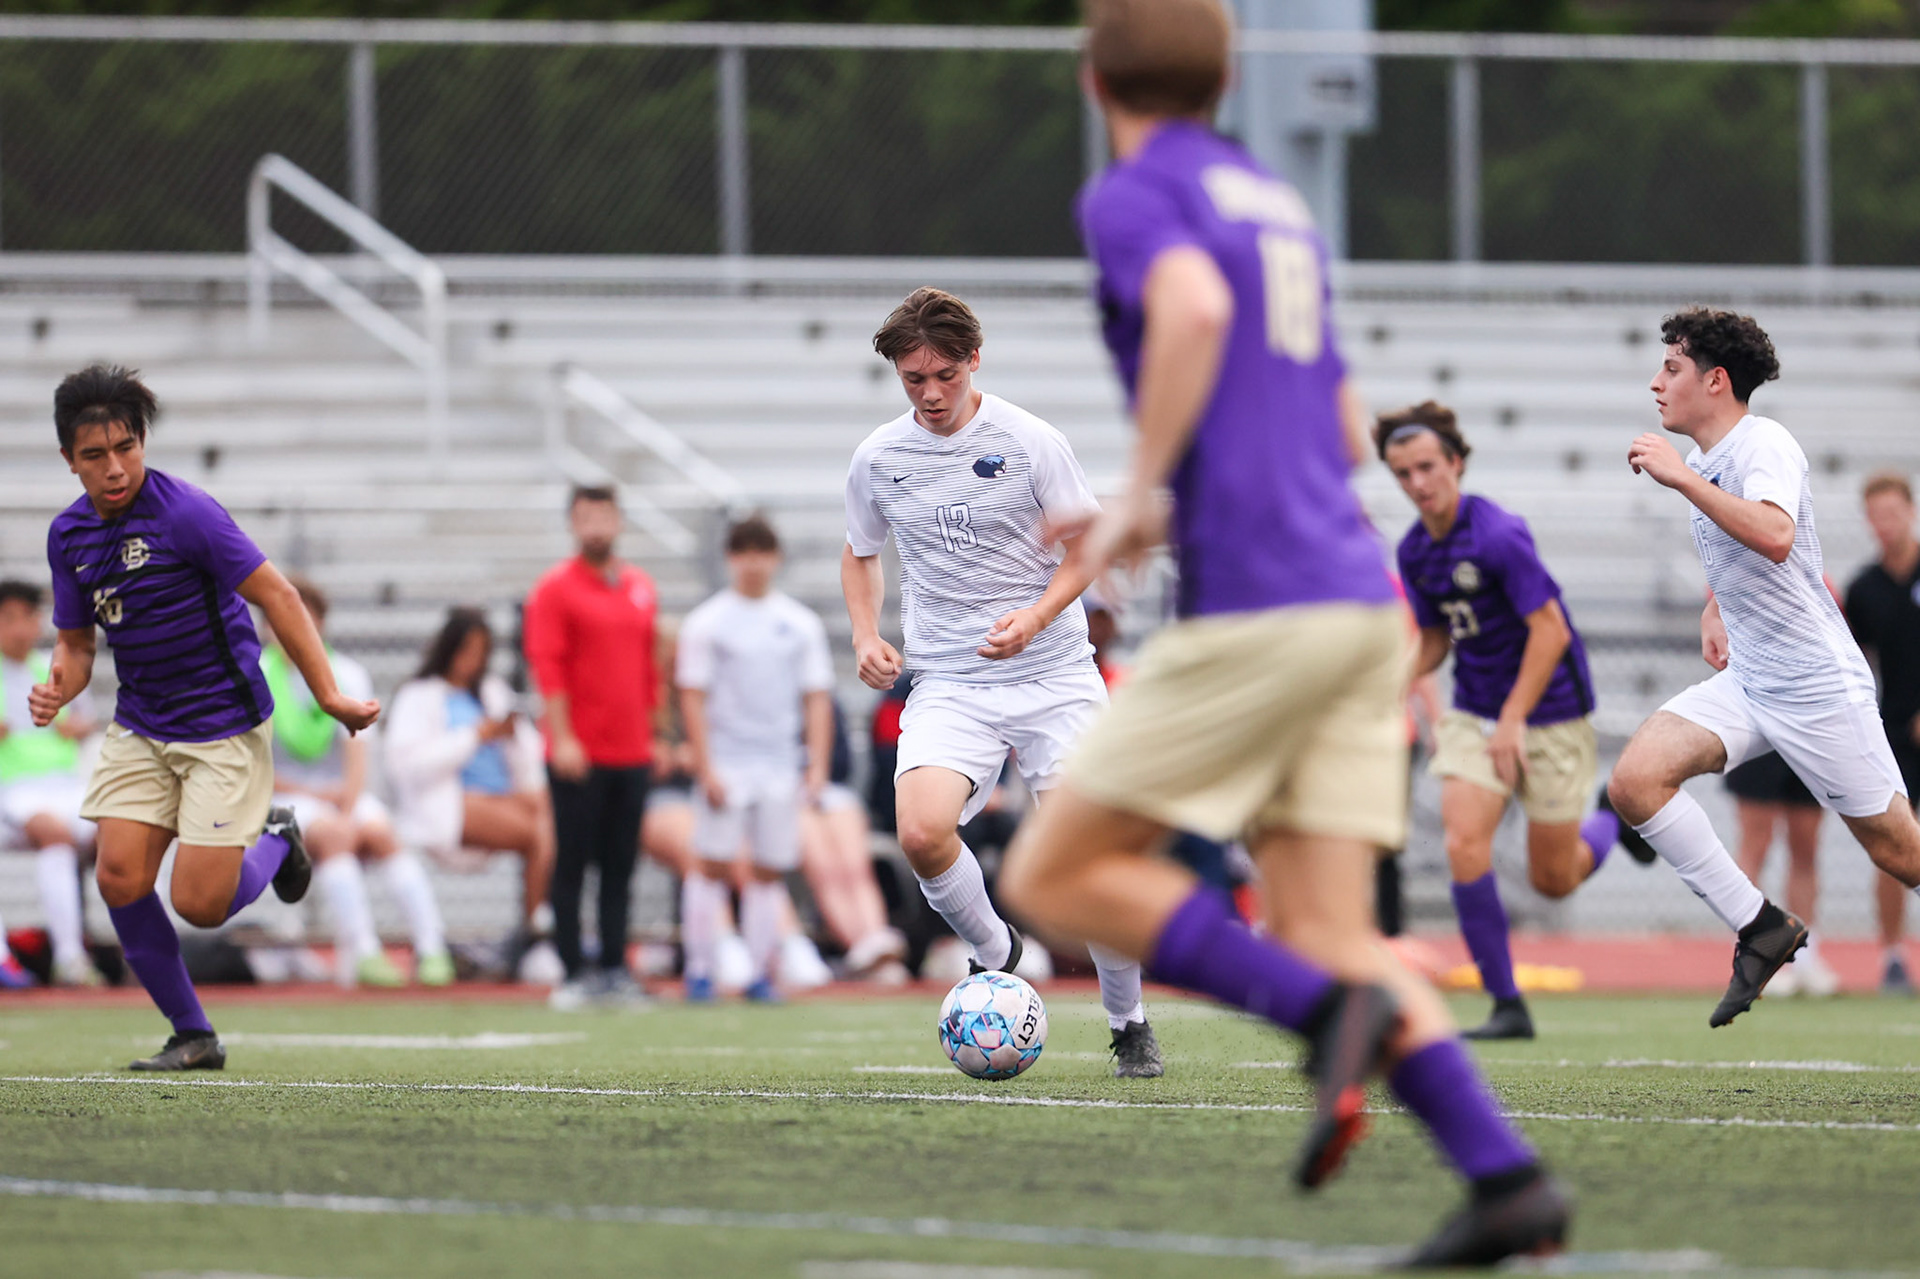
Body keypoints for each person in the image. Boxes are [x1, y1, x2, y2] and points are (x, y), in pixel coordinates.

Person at [997, 1, 1567, 1264]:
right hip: (1360, 601)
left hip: (1267, 604)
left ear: (1096, 80)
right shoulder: (1273, 198)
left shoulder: (1138, 190)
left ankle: (1329, 1014)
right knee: (1329, 926)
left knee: (1048, 877)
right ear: (1228, 75)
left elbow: (1191, 312)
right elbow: (1339, 393)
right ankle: (1505, 1178)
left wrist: (1145, 492)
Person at [842, 285, 1163, 1078]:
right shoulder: (880, 456)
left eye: (944, 374)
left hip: (1054, 673)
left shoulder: (1029, 441)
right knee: (920, 830)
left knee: (1092, 863)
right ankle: (997, 951)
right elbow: (859, 551)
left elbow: (1087, 547)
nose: (931, 392)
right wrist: (864, 633)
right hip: (951, 679)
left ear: (974, 360)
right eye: (913, 379)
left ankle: (1128, 1019)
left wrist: (1037, 612)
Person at [32, 365, 378, 1070]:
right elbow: (75, 645)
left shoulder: (186, 513)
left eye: (125, 446)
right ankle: (193, 1033)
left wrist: (328, 693)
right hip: (141, 725)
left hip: (222, 726)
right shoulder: (67, 536)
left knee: (199, 903)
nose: (115, 467)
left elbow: (279, 595)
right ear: (69, 459)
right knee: (118, 877)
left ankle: (277, 840)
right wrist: (57, 688)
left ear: (143, 440)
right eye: (94, 455)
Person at [1609, 308, 1920, 1027]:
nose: (1657, 382)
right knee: (1634, 781)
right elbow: (1752, 549)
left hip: (1817, 686)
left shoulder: (1763, 442)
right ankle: (1762, 928)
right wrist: (1717, 606)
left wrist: (1681, 479)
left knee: (1899, 851)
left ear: (1716, 381)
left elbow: (1777, 535)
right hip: (1751, 680)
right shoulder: (1719, 459)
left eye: (1673, 368)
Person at [1379, 400, 1637, 1040]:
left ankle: (1617, 819)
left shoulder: (1498, 534)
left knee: (1554, 880)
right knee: (1465, 843)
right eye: (1403, 474)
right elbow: (1439, 638)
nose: (1418, 484)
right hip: (1475, 709)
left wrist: (1514, 721)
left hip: (1549, 711)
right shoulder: (1415, 550)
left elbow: (1547, 633)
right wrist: (1390, 681)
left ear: (1456, 464)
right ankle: (1506, 1004)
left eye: (1427, 468)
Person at [676, 515, 834, 1002]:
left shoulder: (799, 624)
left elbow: (816, 697)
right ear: (730, 558)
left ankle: (762, 971)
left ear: (776, 558)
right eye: (743, 552)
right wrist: (706, 766)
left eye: (761, 552)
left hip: (778, 762)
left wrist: (818, 766)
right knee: (713, 863)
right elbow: (692, 695)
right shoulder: (707, 622)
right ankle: (700, 969)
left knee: (769, 867)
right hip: (727, 759)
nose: (753, 563)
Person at [267, 575, 450, 989]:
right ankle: (364, 951)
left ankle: (432, 947)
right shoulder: (257, 675)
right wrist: (324, 801)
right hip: (283, 798)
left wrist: (347, 806)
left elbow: (357, 757)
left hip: (339, 796)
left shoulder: (346, 674)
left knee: (382, 832)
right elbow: (254, 767)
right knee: (335, 838)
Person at [523, 486, 657, 1008]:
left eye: (603, 514)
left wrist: (655, 734)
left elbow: (647, 670)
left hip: (632, 751)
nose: (595, 525)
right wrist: (562, 738)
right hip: (580, 752)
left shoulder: (640, 586)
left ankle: (615, 967)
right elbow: (548, 668)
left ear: (618, 521)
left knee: (620, 865)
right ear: (573, 524)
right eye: (585, 516)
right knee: (573, 862)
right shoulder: (555, 589)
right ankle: (573, 970)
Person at [386, 607, 555, 971]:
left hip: (504, 798)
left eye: (481, 652)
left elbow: (529, 758)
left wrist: (509, 736)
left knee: (551, 811)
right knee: (544, 831)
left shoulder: (492, 692)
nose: (473, 660)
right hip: (452, 803)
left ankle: (542, 928)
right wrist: (473, 736)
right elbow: (409, 767)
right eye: (466, 650)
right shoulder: (418, 696)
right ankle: (537, 931)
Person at [0, 579, 98, 988]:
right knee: (54, 835)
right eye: (9, 618)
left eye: (28, 616)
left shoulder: (52, 669)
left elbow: (86, 720)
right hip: (13, 790)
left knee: (127, 832)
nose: (21, 627)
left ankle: (140, 953)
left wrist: (75, 729)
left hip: (63, 786)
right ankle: (70, 957)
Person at [1845, 470, 1920, 995]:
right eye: (1877, 515)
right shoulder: (1864, 588)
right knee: (1894, 840)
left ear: (1910, 511)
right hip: (1891, 729)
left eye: (1894, 512)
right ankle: (1892, 955)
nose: (1886, 525)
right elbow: (1853, 662)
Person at [800, 696, 910, 982]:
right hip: (777, 790)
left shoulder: (821, 695)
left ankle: (874, 937)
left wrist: (815, 779)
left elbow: (840, 760)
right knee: (825, 866)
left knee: (853, 866)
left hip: (825, 790)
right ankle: (858, 946)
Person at [1724, 752, 1837, 997]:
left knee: (1806, 849)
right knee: (1755, 846)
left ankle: (1804, 957)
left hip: (1806, 737)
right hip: (1760, 740)